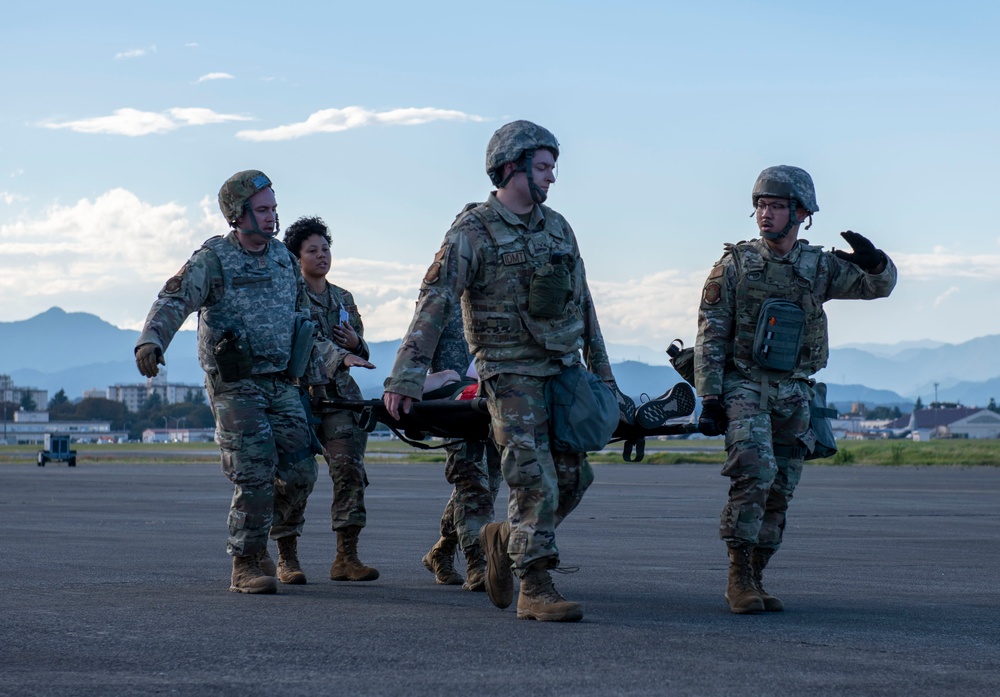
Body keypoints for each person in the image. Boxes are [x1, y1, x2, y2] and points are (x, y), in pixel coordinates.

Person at [383, 120, 617, 622]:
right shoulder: (473, 231)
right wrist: (406, 376)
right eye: (543, 167)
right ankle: (535, 585)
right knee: (533, 479)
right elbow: (437, 300)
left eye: (553, 168)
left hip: (561, 369)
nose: (552, 178)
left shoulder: (559, 228)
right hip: (507, 372)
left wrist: (605, 376)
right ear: (511, 167)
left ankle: (504, 538)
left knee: (574, 477)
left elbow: (585, 305)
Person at [694, 165, 897, 614]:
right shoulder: (736, 264)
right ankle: (739, 576)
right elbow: (711, 332)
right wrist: (709, 397)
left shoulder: (819, 266)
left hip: (795, 391)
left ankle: (758, 573)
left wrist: (876, 261)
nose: (766, 214)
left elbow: (878, 289)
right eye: (761, 206)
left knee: (781, 489)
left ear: (802, 213)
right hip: (745, 384)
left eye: (777, 206)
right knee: (755, 476)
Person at [135, 170, 324, 594]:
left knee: (301, 473)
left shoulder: (282, 260)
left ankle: (277, 539)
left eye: (274, 208)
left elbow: (304, 321)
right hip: (235, 383)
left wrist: (322, 369)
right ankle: (246, 561)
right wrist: (151, 340)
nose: (272, 217)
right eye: (262, 209)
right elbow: (174, 298)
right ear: (238, 215)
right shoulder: (214, 259)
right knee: (255, 470)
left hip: (280, 381)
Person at [282, 216, 380, 583]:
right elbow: (300, 340)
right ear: (297, 257)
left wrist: (356, 345)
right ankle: (287, 557)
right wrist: (341, 354)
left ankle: (346, 558)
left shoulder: (343, 298)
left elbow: (359, 341)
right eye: (313, 250)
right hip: (299, 397)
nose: (322, 255)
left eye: (326, 249)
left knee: (350, 470)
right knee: (295, 476)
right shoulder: (288, 295)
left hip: (340, 398)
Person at [420, 305, 502, 592]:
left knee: (488, 484)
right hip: (454, 408)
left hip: (495, 407)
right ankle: (477, 564)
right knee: (472, 482)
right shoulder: (440, 303)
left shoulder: (497, 299)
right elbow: (417, 350)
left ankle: (441, 551)